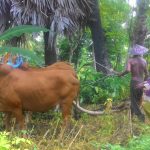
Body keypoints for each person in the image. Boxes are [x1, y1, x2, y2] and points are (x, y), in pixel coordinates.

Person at [118, 44, 149, 122]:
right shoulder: (144, 61)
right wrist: (144, 82)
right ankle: (131, 117)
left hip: (134, 82)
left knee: (133, 100)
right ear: (141, 52)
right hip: (141, 82)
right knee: (138, 100)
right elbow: (147, 74)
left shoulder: (131, 60)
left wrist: (121, 74)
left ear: (133, 53)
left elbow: (128, 70)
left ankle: (140, 116)